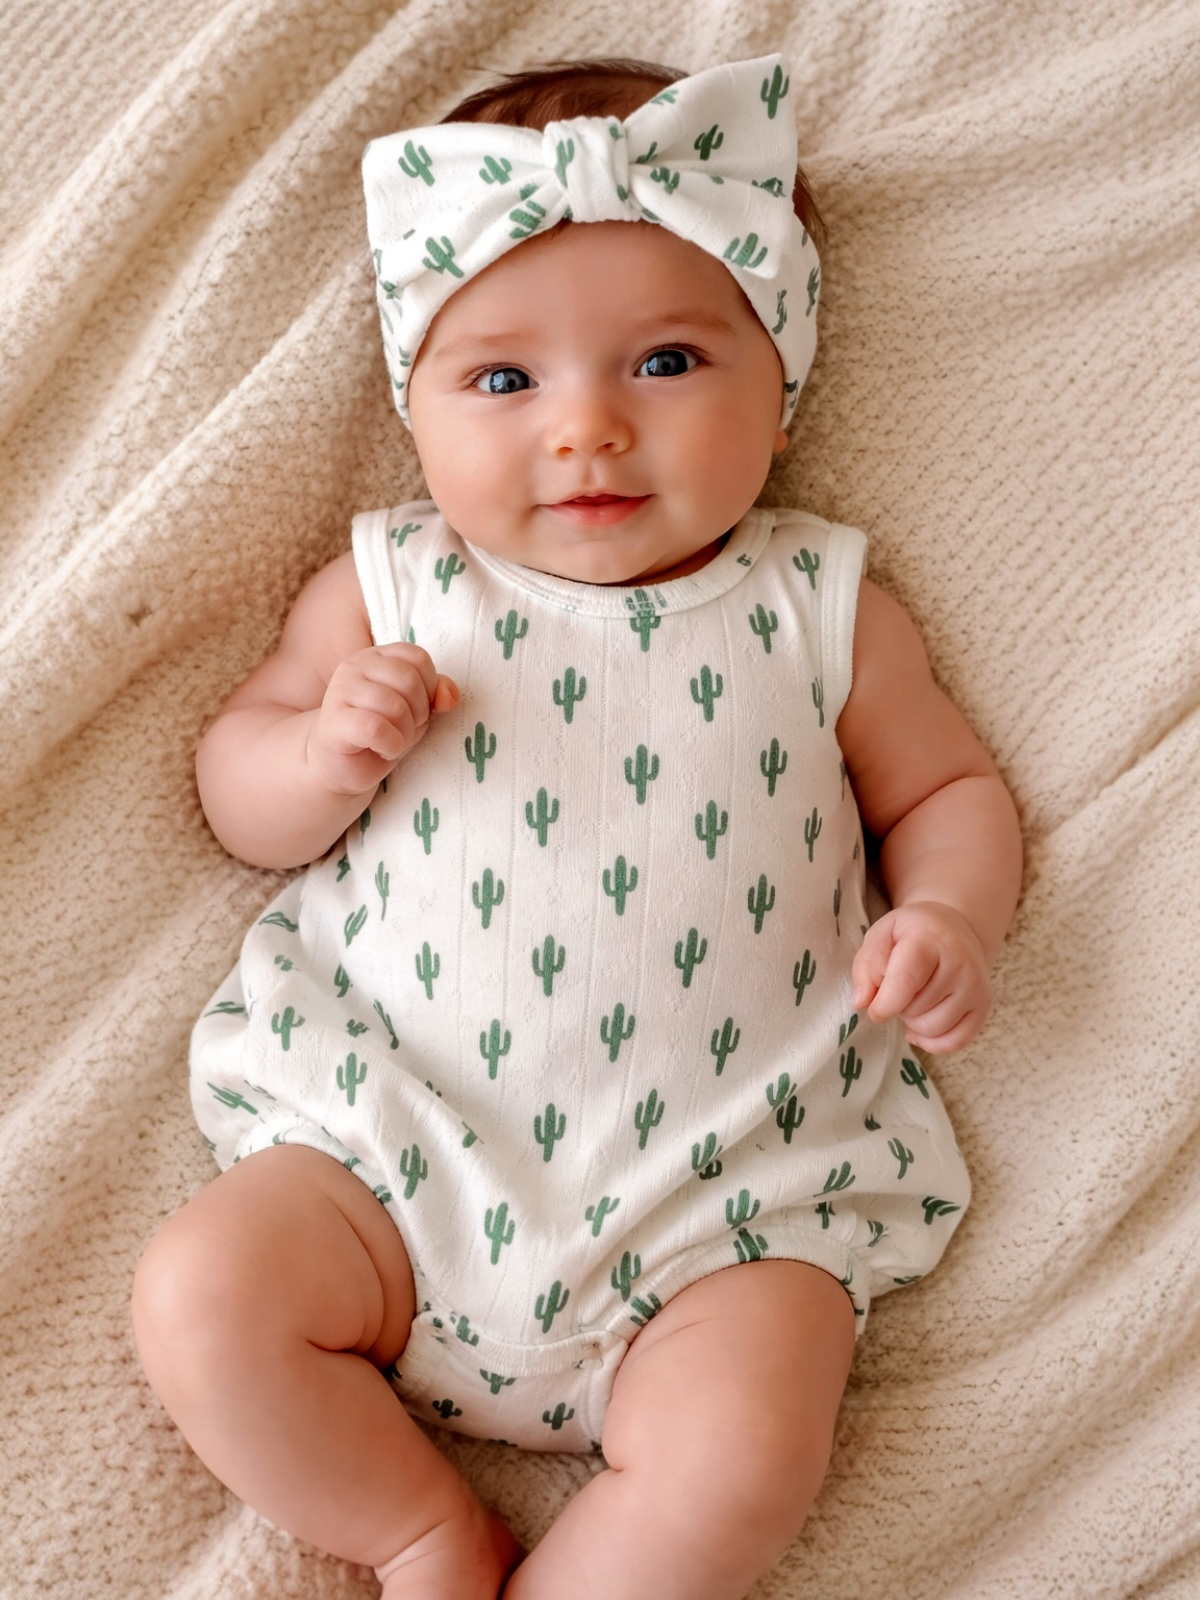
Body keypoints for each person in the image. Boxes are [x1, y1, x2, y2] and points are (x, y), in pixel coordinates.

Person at [132, 52, 1022, 1600]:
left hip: (724, 1205)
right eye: (503, 380)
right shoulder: (392, 589)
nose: (588, 430)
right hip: (386, 1159)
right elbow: (239, 794)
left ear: (785, 374)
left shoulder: (823, 608)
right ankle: (420, 1528)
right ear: (412, 402)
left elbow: (946, 792)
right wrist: (320, 755)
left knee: (745, 1446)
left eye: (667, 364)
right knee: (202, 1292)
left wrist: (945, 913)